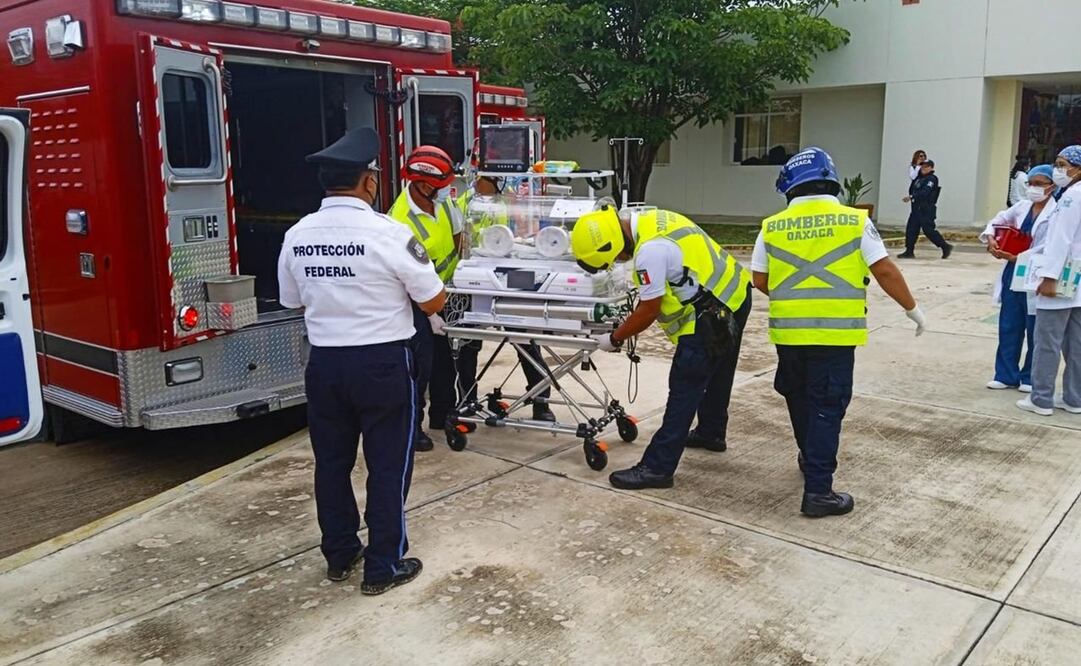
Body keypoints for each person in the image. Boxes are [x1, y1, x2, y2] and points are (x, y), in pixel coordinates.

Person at [277, 128, 445, 593]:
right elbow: (432, 301)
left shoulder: (297, 235)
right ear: (368, 183)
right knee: (388, 464)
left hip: (325, 365)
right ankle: (383, 565)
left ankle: (341, 552)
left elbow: (291, 301)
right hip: (383, 365)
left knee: (331, 463)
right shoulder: (390, 233)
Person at [752, 147, 926, 517]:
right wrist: (912, 309)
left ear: (789, 187)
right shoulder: (854, 221)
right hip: (834, 336)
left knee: (798, 398)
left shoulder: (771, 226)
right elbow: (885, 271)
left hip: (789, 334)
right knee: (826, 408)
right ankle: (819, 491)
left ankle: (809, 455)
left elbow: (760, 279)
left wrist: (797, 298)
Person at [569, 205, 752, 490]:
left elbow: (649, 309)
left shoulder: (649, 252)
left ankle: (657, 468)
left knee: (685, 385)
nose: (619, 261)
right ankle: (711, 431)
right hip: (734, 293)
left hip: (707, 316)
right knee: (719, 371)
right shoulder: (654, 219)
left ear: (614, 244)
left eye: (614, 258)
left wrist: (615, 338)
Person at [454, 175, 556, 423]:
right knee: (469, 343)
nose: (502, 184)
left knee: (525, 341)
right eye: (497, 179)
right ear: (481, 177)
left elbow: (518, 233)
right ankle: (467, 400)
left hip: (505, 277)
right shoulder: (465, 205)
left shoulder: (504, 203)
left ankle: (540, 401)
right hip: (476, 279)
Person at [387, 146, 465, 451]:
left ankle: (443, 414)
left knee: (447, 362)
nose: (447, 191)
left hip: (447, 294)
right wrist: (430, 314)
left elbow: (458, 237)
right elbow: (405, 278)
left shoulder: (443, 202)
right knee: (419, 367)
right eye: (441, 187)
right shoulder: (400, 222)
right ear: (422, 185)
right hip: (417, 305)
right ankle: (413, 427)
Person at [980, 165, 1057, 393]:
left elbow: (1050, 245)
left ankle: (1030, 377)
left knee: (1035, 328)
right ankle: (1005, 374)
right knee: (1009, 324)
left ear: (1052, 186)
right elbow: (998, 220)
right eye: (1031, 183)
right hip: (1013, 272)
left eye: (1040, 184)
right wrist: (992, 237)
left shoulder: (1057, 212)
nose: (1034, 188)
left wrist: (1018, 257)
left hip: (1036, 272)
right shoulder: (1022, 207)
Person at [1018, 146, 1081, 416]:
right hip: (1077, 277)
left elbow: (1060, 240)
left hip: (1061, 276)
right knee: (1076, 343)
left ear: (1077, 168)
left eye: (1062, 164)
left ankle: (1041, 398)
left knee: (1047, 340)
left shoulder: (1071, 197)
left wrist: (1048, 277)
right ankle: (1074, 397)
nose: (1058, 169)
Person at [898, 159, 953, 259]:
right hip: (916, 208)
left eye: (926, 166)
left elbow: (925, 192)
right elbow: (913, 189)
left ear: (931, 168)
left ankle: (945, 246)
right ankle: (909, 251)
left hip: (926, 209)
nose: (923, 168)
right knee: (911, 229)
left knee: (928, 230)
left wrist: (912, 196)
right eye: (922, 166)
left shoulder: (932, 179)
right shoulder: (918, 178)